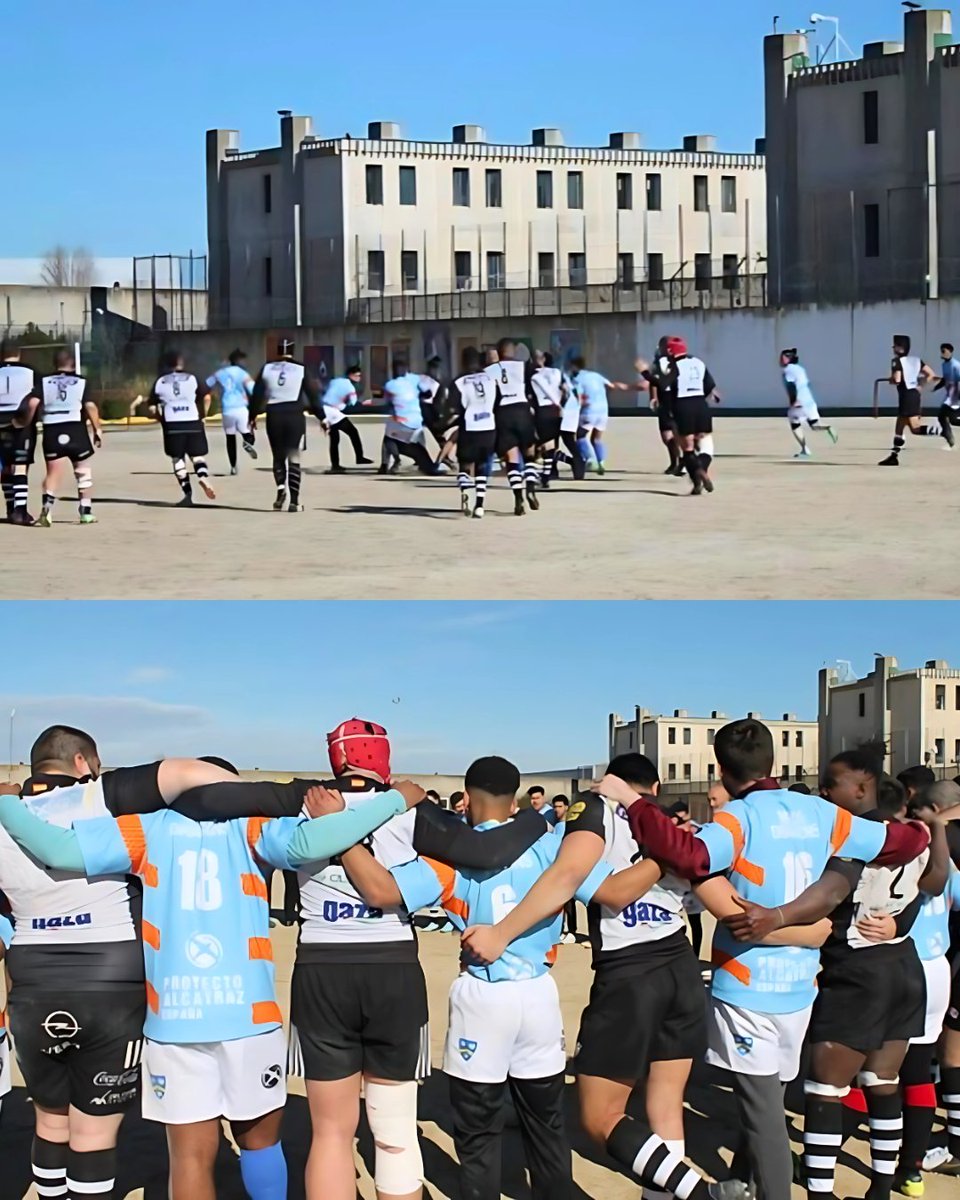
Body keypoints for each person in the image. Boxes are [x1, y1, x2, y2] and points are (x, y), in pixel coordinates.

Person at [0, 760, 431, 1200]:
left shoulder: (146, 828)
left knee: (189, 1158)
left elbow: (57, 850)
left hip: (174, 1020)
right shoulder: (254, 828)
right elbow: (319, 838)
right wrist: (395, 800)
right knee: (261, 1145)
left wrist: (7, 803)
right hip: (247, 1016)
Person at [608, 720, 931, 1200]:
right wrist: (918, 830)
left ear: (721, 769)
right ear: (774, 762)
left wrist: (634, 803)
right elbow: (904, 843)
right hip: (800, 984)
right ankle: (751, 1182)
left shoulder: (738, 818)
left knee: (763, 1118)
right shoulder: (822, 813)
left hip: (748, 984)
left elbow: (690, 856)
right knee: (766, 1103)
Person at [0, 726, 253, 1200]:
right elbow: (192, 772)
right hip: (109, 982)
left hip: (32, 982)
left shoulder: (6, 815)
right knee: (93, 1133)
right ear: (82, 763)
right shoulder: (101, 797)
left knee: (50, 1122)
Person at [376, 756, 612, 1200]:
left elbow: (385, 890)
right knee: (546, 1123)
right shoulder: (549, 847)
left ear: (465, 800)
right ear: (516, 801)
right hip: (538, 993)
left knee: (478, 1129)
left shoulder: (451, 856)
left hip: (482, 994)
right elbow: (612, 890)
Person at [723, 749, 948, 1200]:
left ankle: (821, 1193)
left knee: (824, 1090)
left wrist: (777, 916)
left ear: (862, 787)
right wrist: (901, 923)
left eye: (832, 782)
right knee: (883, 1083)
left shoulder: (858, 838)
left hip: (857, 974)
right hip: (903, 970)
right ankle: (880, 1189)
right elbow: (936, 881)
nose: (824, 790)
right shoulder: (910, 836)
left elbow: (829, 894)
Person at [16, 348, 103, 526]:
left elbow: (32, 402)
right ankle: (86, 512)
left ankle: (47, 510)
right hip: (76, 429)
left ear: (55, 363)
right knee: (83, 471)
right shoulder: (82, 382)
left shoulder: (44, 381)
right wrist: (97, 429)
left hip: (52, 429)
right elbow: (90, 406)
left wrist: (26, 421)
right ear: (73, 364)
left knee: (53, 473)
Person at [250, 340, 320, 512]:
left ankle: (280, 489)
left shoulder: (267, 368)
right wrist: (323, 417)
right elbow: (313, 395)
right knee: (293, 456)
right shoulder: (301, 369)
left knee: (278, 455)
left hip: (274, 414)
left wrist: (252, 416)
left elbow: (257, 395)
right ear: (293, 351)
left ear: (278, 350)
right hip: (294, 415)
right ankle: (294, 501)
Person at [148, 350, 217, 506]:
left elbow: (152, 408)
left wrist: (160, 418)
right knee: (197, 456)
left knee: (177, 459)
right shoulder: (192, 378)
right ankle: (203, 477)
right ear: (181, 363)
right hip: (192, 420)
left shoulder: (160, 381)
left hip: (172, 423)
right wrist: (203, 415)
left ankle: (188, 494)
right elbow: (207, 397)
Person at [485, 339, 540, 514]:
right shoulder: (523, 366)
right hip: (522, 410)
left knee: (511, 458)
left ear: (499, 352)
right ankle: (530, 487)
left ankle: (518, 498)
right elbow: (534, 387)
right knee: (529, 452)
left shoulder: (489, 371)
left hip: (502, 413)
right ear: (513, 351)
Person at [661, 337, 718, 495]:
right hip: (700, 404)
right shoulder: (698, 362)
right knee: (706, 446)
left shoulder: (671, 367)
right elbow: (709, 386)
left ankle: (698, 472)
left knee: (687, 449)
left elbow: (667, 392)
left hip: (682, 406)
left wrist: (669, 411)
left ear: (670, 351)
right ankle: (701, 473)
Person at [567, 357, 637, 477]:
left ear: (574, 366)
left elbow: (579, 395)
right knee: (596, 438)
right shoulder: (596, 375)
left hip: (589, 410)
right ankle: (601, 462)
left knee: (580, 436)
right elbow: (611, 386)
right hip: (603, 409)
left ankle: (590, 460)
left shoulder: (577, 379)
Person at [451, 347, 497, 519]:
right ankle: (479, 505)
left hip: (469, 427)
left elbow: (453, 408)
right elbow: (498, 402)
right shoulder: (491, 378)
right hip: (489, 427)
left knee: (464, 464)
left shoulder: (459, 382)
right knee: (482, 466)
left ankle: (465, 489)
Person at [879, 336, 937, 466]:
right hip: (914, 394)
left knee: (914, 428)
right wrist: (920, 385)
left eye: (895, 345)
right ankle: (894, 456)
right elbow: (931, 374)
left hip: (906, 396)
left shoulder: (896, 362)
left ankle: (940, 430)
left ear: (901, 348)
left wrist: (891, 379)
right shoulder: (916, 360)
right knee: (899, 426)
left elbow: (897, 379)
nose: (893, 348)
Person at [0, 339, 40, 524]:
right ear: (19, 354)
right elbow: (37, 399)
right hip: (21, 421)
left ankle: (10, 507)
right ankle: (20, 510)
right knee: (20, 465)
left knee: (5, 465)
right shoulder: (31, 372)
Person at [379, 360, 443, 476]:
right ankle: (427, 466)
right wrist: (417, 395)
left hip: (402, 422)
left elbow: (388, 402)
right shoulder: (415, 379)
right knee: (413, 444)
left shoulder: (389, 384)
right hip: (417, 420)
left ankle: (387, 464)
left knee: (389, 438)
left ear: (393, 370)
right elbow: (428, 393)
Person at [780, 348, 838, 459]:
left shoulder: (788, 370)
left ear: (788, 359)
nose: (780, 360)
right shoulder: (800, 369)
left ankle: (805, 449)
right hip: (809, 401)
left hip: (799, 402)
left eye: (782, 358)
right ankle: (828, 428)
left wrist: (794, 400)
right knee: (814, 425)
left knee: (794, 423)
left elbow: (791, 386)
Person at [206, 349, 257, 475]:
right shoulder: (242, 373)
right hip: (241, 407)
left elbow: (208, 383)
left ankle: (233, 467)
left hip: (227, 408)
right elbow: (253, 389)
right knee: (246, 432)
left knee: (230, 438)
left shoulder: (220, 372)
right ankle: (248, 442)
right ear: (239, 360)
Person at [322, 366, 373, 473]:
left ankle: (335, 466)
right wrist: (363, 404)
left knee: (334, 438)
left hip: (323, 410)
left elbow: (325, 391)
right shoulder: (350, 388)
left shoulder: (334, 381)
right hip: (333, 412)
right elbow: (353, 404)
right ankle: (359, 458)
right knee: (353, 432)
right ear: (351, 375)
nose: (359, 378)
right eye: (357, 375)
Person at [646, 338, 684, 477]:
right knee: (669, 435)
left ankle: (680, 461)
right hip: (668, 399)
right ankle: (677, 461)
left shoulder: (676, 361)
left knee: (673, 433)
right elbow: (654, 381)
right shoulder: (659, 361)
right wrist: (653, 397)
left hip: (673, 399)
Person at [530, 352, 564, 490]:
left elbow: (532, 395)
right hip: (555, 410)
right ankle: (546, 475)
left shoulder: (533, 376)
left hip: (542, 409)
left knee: (536, 444)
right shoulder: (556, 372)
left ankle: (537, 475)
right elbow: (563, 388)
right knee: (550, 444)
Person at [932, 343, 960, 451]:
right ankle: (949, 439)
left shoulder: (956, 365)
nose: (942, 353)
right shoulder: (944, 365)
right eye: (941, 351)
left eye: (944, 351)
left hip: (956, 396)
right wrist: (935, 388)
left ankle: (950, 440)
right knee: (952, 420)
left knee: (942, 416)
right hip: (950, 396)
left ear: (950, 352)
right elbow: (945, 379)